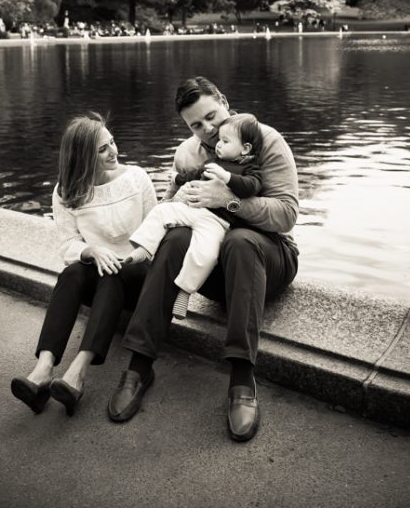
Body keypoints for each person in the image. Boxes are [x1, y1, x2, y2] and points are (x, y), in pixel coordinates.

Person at [107, 77, 299, 442]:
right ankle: (139, 365)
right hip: (214, 266)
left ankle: (242, 379)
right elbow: (172, 203)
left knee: (241, 241)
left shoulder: (263, 139)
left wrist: (225, 199)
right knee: (177, 235)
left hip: (268, 258)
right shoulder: (187, 154)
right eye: (196, 125)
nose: (208, 130)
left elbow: (286, 215)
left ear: (225, 101)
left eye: (212, 117)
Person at [10, 112, 157, 417]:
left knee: (114, 272)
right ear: (83, 157)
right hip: (99, 277)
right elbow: (67, 246)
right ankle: (43, 369)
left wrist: (127, 257)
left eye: (112, 142)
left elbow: (155, 236)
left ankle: (77, 372)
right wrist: (91, 250)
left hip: (138, 275)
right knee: (73, 272)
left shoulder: (136, 178)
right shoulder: (66, 192)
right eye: (103, 149)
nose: (114, 151)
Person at [124, 113, 263, 320]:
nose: (218, 145)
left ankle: (185, 292)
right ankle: (144, 248)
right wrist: (178, 178)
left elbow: (251, 188)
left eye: (225, 141)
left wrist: (226, 177)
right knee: (162, 212)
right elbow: (195, 174)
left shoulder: (249, 169)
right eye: (220, 141)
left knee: (205, 254)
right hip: (192, 209)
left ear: (245, 149)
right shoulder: (214, 161)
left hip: (217, 221)